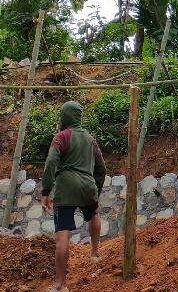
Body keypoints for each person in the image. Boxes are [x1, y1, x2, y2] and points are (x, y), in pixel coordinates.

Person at [41, 101, 106, 292]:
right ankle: (95, 253)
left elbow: (51, 162)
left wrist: (46, 191)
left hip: (66, 188)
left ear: (64, 117)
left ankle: (61, 285)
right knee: (94, 213)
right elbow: (102, 168)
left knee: (63, 235)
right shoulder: (91, 139)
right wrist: (96, 191)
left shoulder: (62, 136)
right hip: (88, 186)